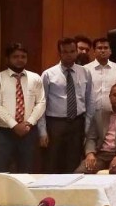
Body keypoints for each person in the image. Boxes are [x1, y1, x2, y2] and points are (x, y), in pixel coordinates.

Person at [0, 43, 46, 173]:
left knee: (27, 171)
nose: (20, 59)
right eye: (15, 56)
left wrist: (29, 123)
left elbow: (41, 102)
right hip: (3, 132)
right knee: (0, 171)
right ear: (7, 58)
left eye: (23, 56)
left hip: (28, 131)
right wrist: (14, 125)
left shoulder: (35, 78)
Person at [39, 37, 94, 173]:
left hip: (77, 122)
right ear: (59, 53)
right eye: (65, 52)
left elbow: (89, 101)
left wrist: (87, 126)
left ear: (76, 51)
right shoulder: (48, 74)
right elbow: (41, 103)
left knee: (73, 161)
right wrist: (42, 131)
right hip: (55, 123)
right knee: (53, 161)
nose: (69, 54)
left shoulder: (85, 72)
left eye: (72, 51)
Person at [85, 37, 116, 113]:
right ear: (94, 51)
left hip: (113, 113)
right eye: (99, 48)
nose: (103, 50)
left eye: (106, 48)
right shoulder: (86, 69)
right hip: (91, 114)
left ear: (110, 51)